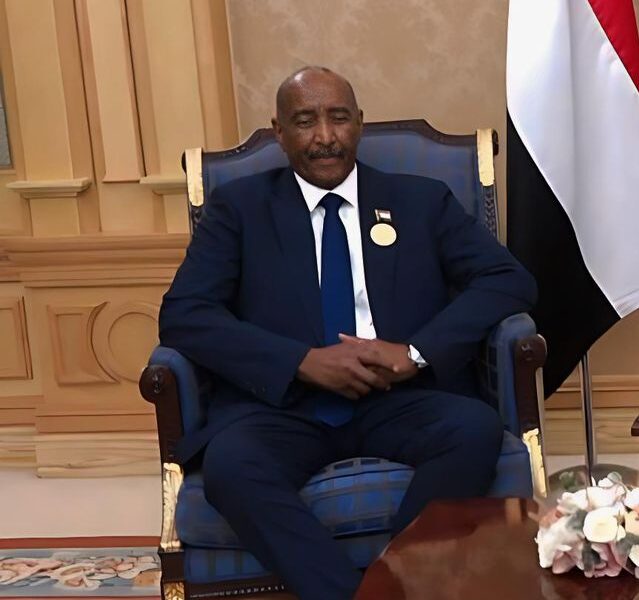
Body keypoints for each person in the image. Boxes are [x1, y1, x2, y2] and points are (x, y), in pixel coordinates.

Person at [158, 66, 537, 600]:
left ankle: (394, 585)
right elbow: (185, 313)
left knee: (473, 430)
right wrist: (299, 362)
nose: (325, 137)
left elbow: (508, 279)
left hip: (398, 397)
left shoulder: (420, 201)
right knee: (231, 467)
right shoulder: (239, 209)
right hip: (284, 405)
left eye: (338, 118)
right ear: (279, 131)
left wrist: (415, 352)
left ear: (359, 123)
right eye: (305, 121)